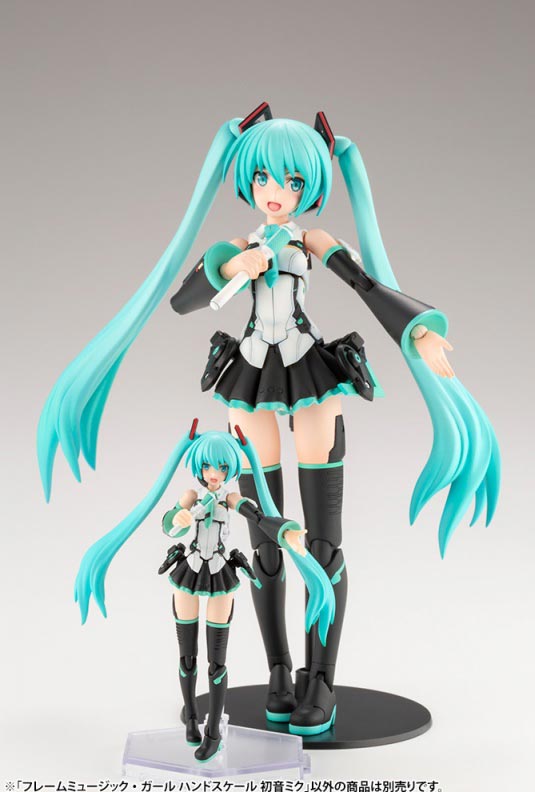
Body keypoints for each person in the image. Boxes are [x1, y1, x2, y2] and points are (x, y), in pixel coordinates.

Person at [39, 103, 500, 736]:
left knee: (323, 542)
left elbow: (366, 286)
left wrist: (417, 330)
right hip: (251, 381)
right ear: (246, 180)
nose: (275, 191)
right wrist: (234, 266)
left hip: (311, 378)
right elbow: (182, 302)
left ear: (311, 186)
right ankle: (279, 672)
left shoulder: (312, 240)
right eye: (263, 178)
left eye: (291, 180)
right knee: (264, 541)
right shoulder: (241, 245)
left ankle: (322, 679)